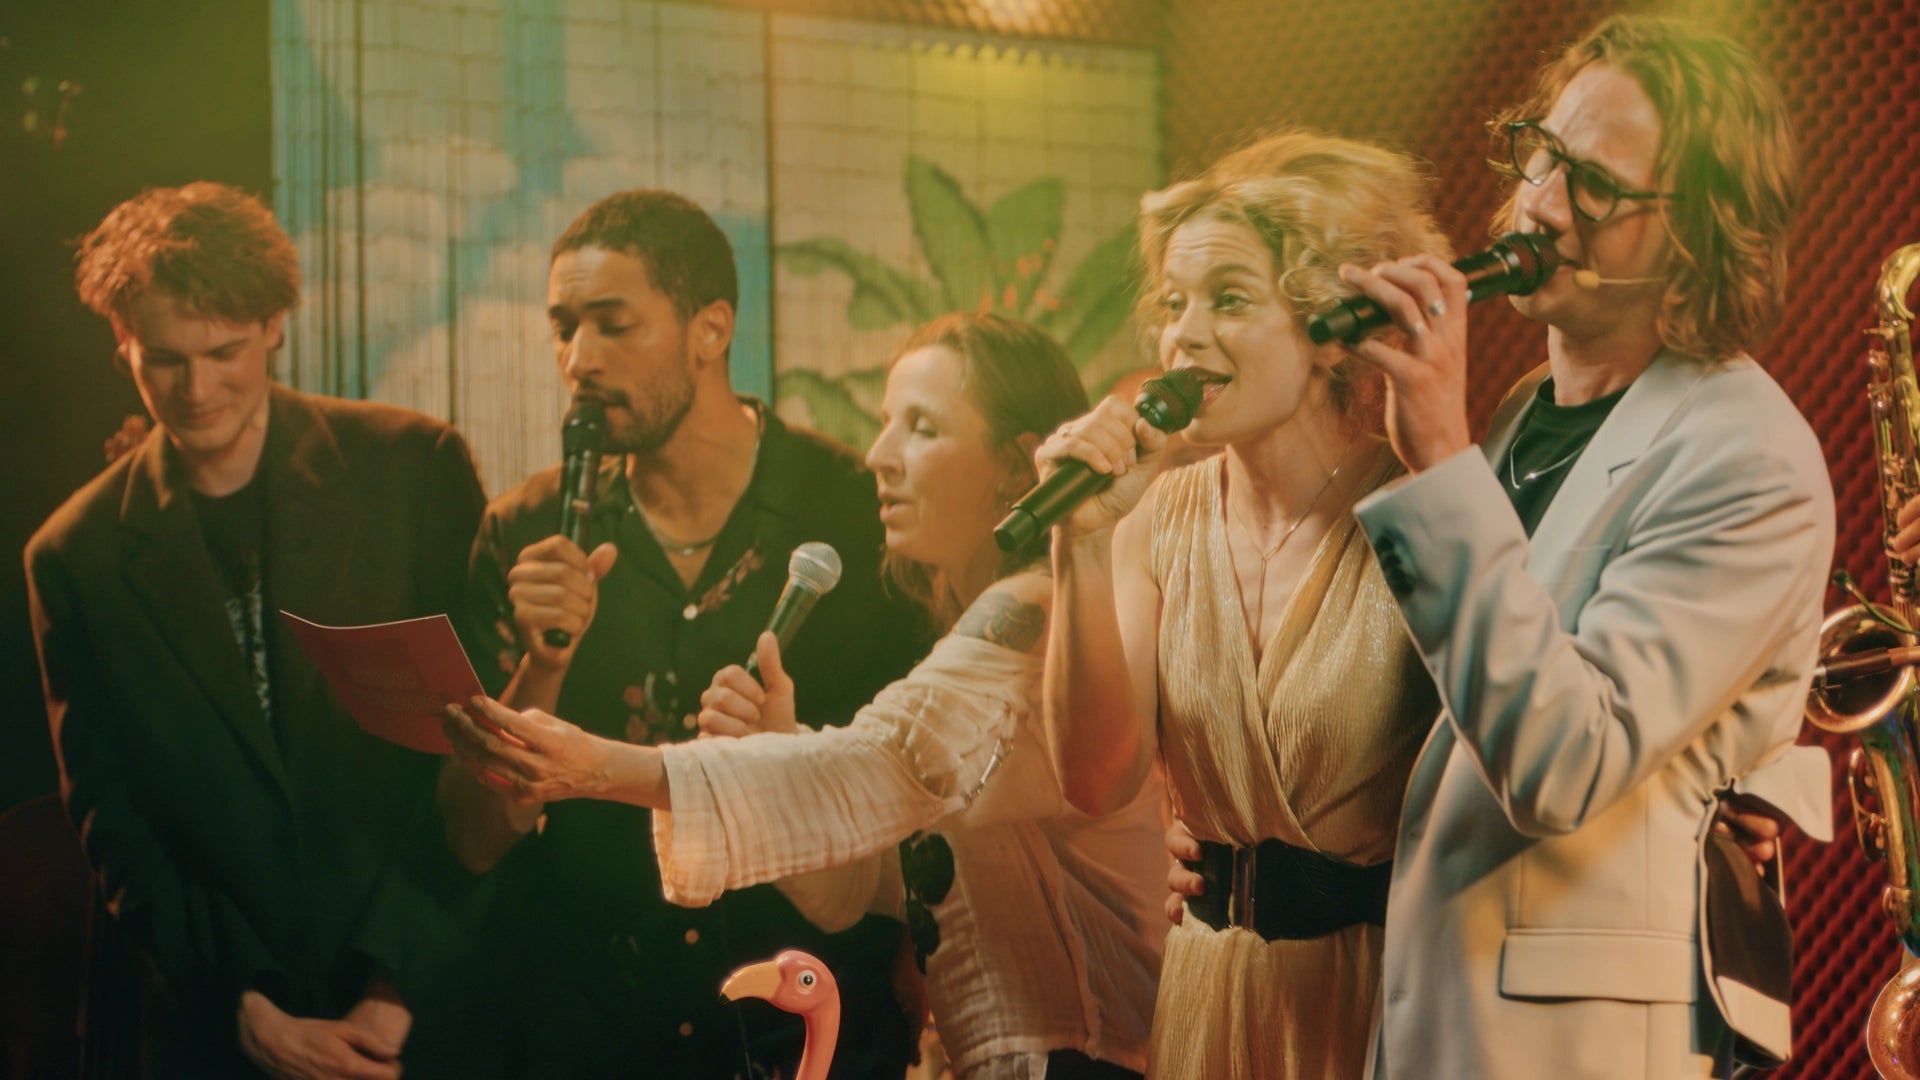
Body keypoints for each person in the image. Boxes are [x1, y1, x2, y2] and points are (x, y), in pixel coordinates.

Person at [442, 312, 1168, 1079]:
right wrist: (779, 749)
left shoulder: (1036, 609)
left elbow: (884, 759)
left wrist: (597, 767)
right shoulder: (980, 622)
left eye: (922, 429)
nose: (880, 456)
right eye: (885, 423)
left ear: (1018, 468)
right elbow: (864, 884)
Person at [1337, 15, 1833, 1077]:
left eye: (1597, 186)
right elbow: (1455, 715)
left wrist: (1438, 462)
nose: (1543, 205)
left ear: (1700, 236)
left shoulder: (1750, 457)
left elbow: (1564, 762)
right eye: (1544, 154)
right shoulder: (1525, 412)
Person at [439, 189, 928, 1079]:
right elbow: (473, 838)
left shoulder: (853, 513)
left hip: (812, 1024)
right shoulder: (526, 531)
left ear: (711, 329)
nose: (579, 359)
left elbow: (923, 796)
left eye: (614, 324)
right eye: (563, 329)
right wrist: (542, 666)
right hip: (593, 1027)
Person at [24, 181, 488, 1078]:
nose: (197, 390)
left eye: (224, 352)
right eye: (164, 359)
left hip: (435, 1012)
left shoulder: (412, 469)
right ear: (122, 343)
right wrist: (243, 1002)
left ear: (276, 325)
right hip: (224, 1032)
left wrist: (396, 982)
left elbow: (480, 750)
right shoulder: (74, 555)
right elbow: (114, 820)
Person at [1035, 131, 1449, 1078]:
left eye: (1228, 299)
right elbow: (1094, 780)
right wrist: (1081, 542)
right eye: (1173, 303)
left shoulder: (1423, 512)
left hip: (1379, 993)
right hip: (1210, 988)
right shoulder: (1157, 518)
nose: (1183, 336)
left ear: (1330, 326)